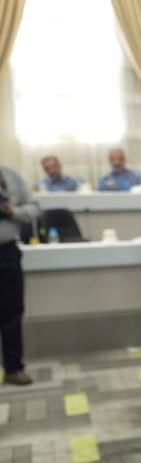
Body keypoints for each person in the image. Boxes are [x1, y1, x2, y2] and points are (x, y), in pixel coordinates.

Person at [0, 165, 40, 386]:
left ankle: (14, 368)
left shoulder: (10, 176)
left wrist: (12, 212)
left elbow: (34, 208)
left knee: (12, 312)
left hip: (6, 252)